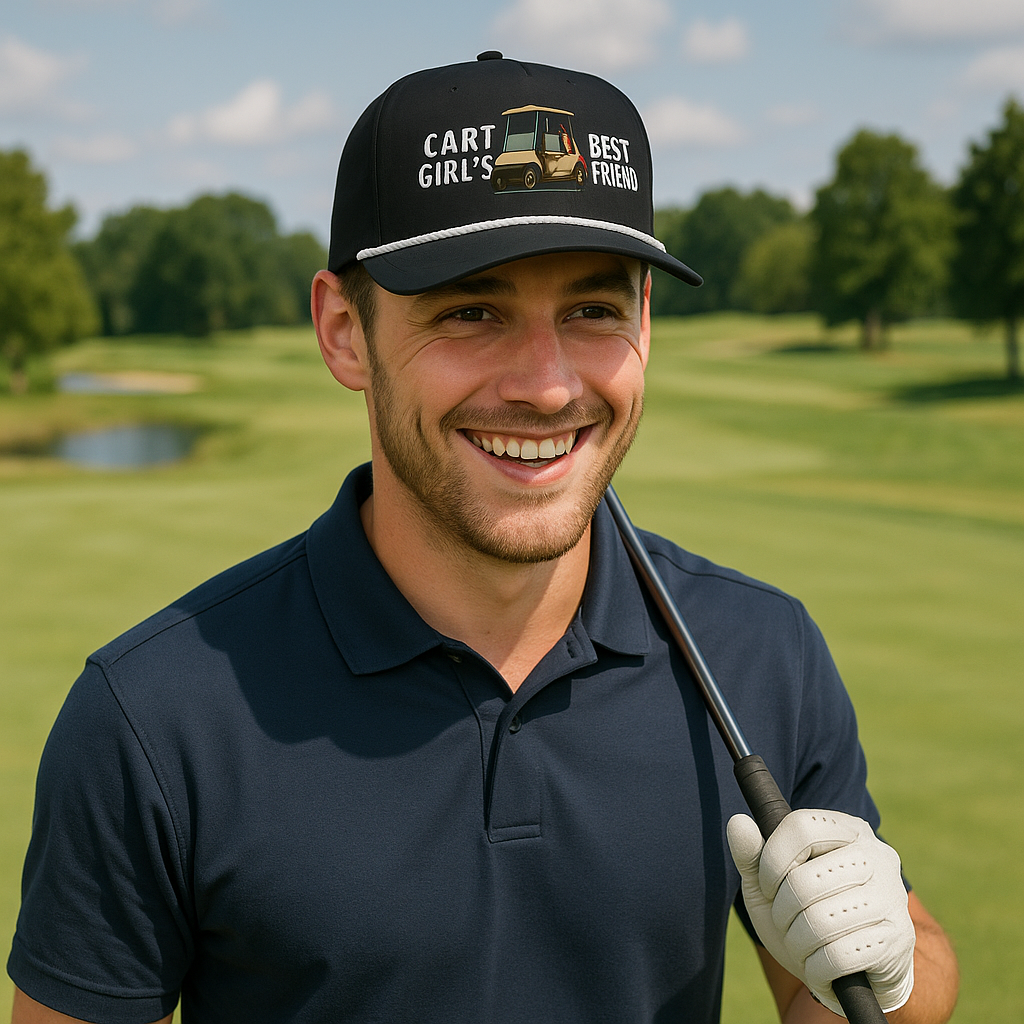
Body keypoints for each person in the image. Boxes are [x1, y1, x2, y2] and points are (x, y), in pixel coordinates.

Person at [8, 53, 958, 1024]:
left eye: (592, 309)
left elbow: (872, 981)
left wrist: (888, 972)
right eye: (471, 310)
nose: (546, 386)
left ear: (644, 323)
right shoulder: (152, 715)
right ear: (344, 331)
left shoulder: (758, 650)